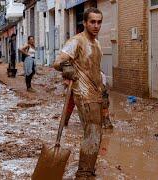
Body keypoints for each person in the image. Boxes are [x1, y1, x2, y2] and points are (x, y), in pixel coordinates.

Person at [54, 7, 104, 179]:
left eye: (99, 22)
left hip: (96, 93)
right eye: (92, 22)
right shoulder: (77, 41)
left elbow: (96, 70)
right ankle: (84, 174)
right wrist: (67, 68)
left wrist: (103, 92)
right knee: (92, 132)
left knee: (95, 132)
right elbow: (58, 61)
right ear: (85, 23)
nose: (96, 25)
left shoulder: (97, 43)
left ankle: (88, 168)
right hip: (83, 94)